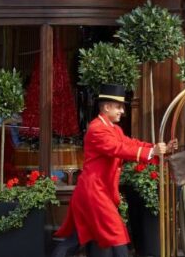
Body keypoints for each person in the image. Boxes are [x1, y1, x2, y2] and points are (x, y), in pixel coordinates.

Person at [52, 83, 171, 257]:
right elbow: (117, 149)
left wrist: (158, 148)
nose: (122, 111)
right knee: (117, 233)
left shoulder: (113, 129)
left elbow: (131, 144)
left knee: (76, 238)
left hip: (96, 192)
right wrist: (152, 151)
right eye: (119, 107)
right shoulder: (96, 129)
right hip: (94, 193)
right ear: (106, 107)